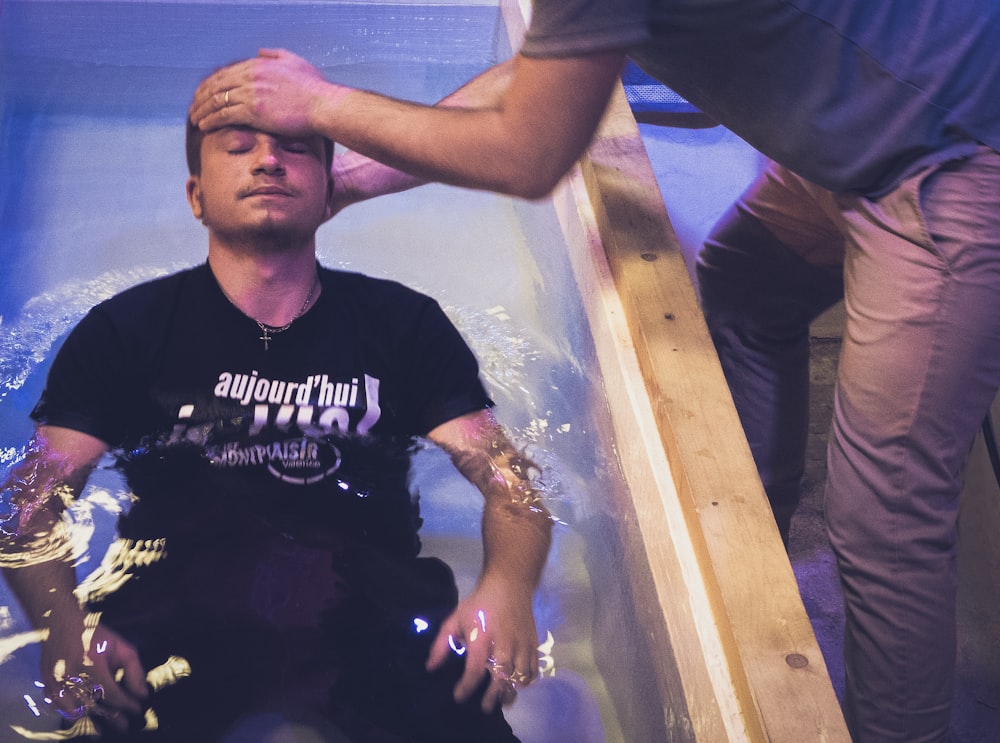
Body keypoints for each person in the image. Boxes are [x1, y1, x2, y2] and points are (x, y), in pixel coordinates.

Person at [186, 2, 1000, 742]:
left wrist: (320, 105)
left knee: (886, 517)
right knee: (749, 293)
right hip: (867, 123)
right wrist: (354, 179)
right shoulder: (141, 337)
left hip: (957, 153)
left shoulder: (404, 334)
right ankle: (752, 559)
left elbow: (529, 151)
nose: (265, 163)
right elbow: (540, 76)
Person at [0, 65, 553, 743]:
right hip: (178, 613)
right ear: (195, 195)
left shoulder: (403, 323)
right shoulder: (123, 332)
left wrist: (508, 587)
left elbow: (509, 479)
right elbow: (32, 499)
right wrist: (61, 626)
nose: (267, 159)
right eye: (237, 147)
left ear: (331, 191)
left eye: (296, 147)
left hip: (370, 607)